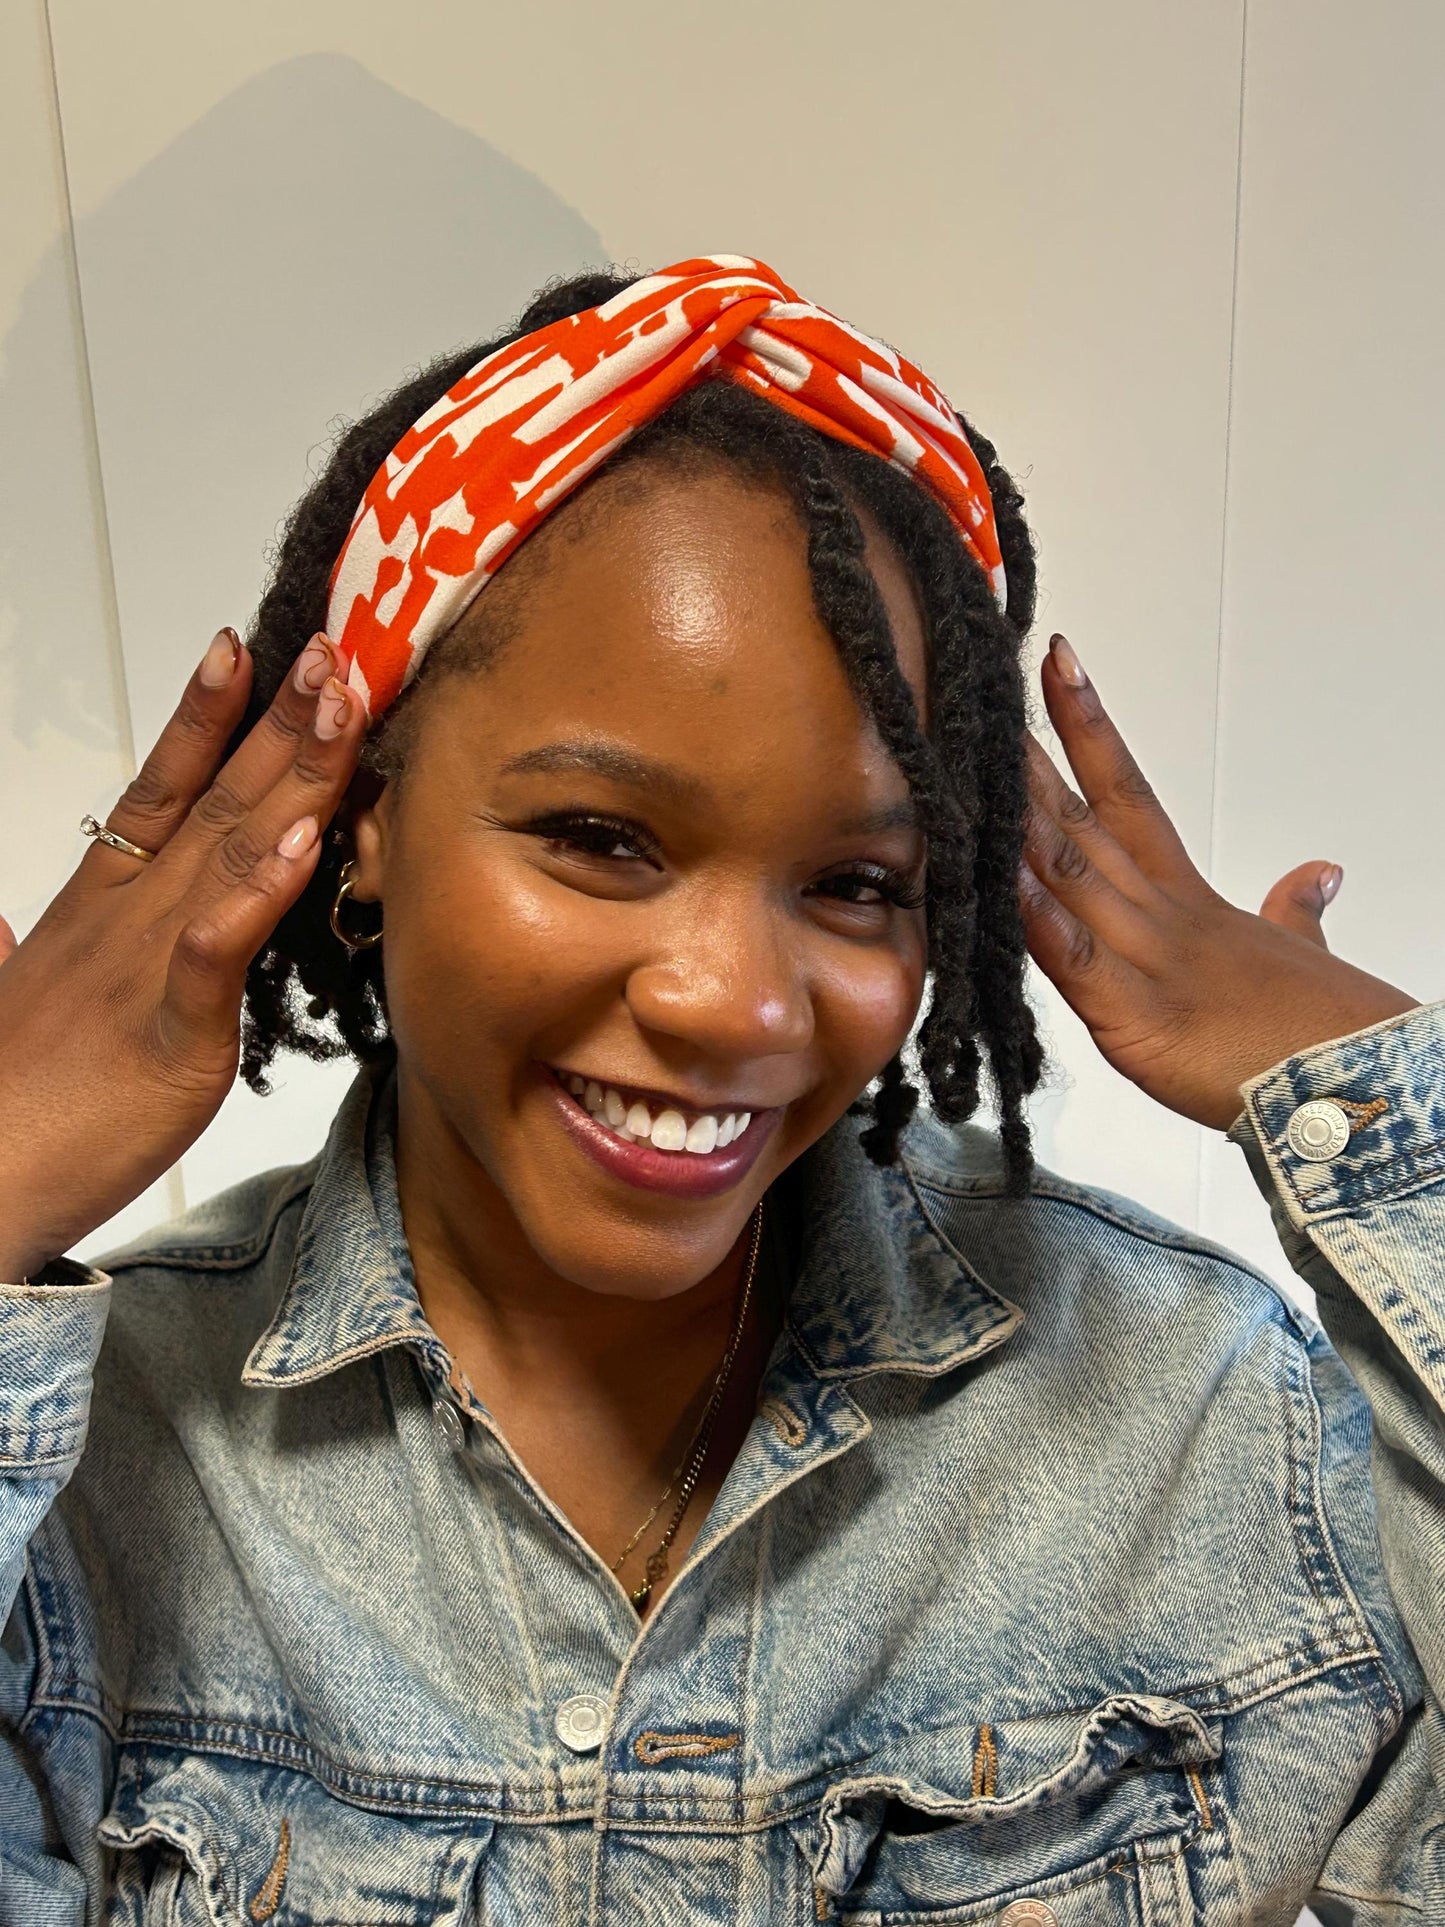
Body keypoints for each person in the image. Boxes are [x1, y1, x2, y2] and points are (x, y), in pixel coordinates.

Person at [0, 255, 1435, 1923]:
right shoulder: (102, 1459)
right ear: (360, 817)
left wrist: (1387, 1115)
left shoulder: (1193, 1416)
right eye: (601, 840)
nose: (737, 1003)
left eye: (855, 885)